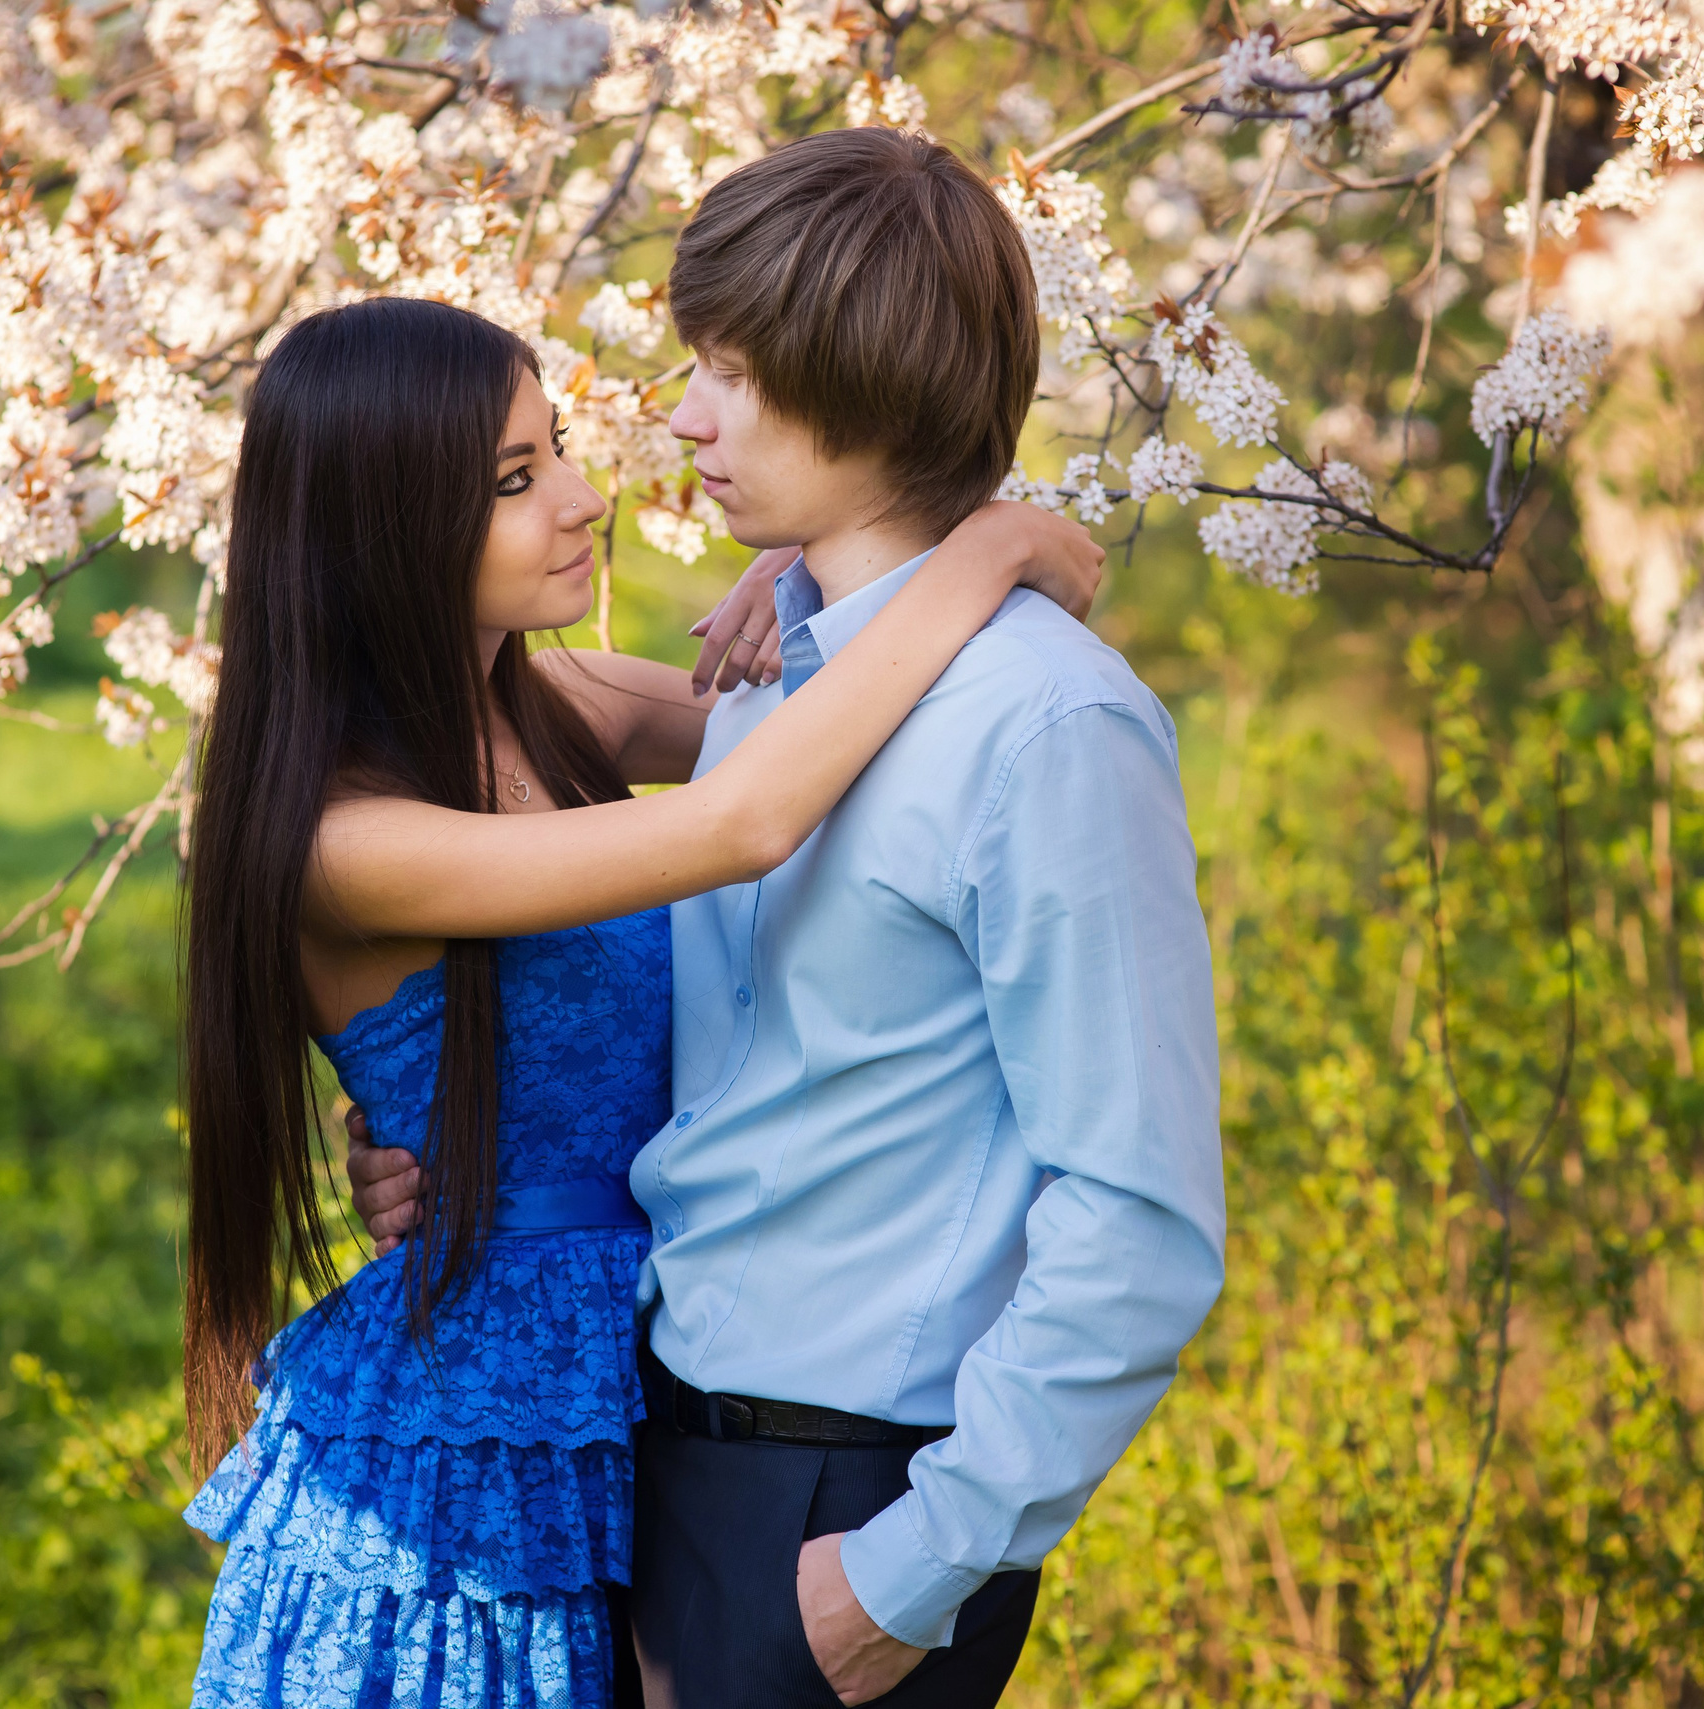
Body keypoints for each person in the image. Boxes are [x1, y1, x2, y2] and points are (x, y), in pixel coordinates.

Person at [352, 127, 1227, 1708]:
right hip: (646, 1442)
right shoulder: (775, 684)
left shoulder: (1046, 728)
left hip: (845, 1500)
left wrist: (911, 1570)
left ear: (868, 384)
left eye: (734, 372)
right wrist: (455, 1135)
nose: (680, 417)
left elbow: (1141, 1218)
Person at [176, 292, 1101, 1709]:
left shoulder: (574, 708)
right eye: (514, 480)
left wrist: (809, 576)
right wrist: (987, 550)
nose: (583, 498)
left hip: (670, 1371)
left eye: (556, 451)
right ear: (381, 526)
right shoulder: (340, 837)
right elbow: (743, 820)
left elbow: (860, 710)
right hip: (478, 1461)